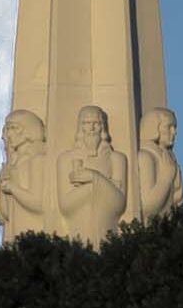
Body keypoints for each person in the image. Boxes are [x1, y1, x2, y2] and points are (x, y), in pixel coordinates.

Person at [55, 105, 128, 248]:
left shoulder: (117, 159)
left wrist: (94, 178)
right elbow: (65, 205)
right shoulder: (66, 159)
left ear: (102, 127)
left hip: (109, 234)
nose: (92, 128)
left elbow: (119, 203)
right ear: (80, 128)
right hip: (76, 234)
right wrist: (105, 186)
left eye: (96, 123)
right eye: (87, 124)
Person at [0, 110, 48, 241]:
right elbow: (4, 215)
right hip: (15, 235)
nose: (6, 135)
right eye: (7, 129)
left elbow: (39, 203)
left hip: (35, 236)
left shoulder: (38, 160)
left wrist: (12, 187)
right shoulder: (14, 165)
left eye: (12, 128)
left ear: (28, 130)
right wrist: (0, 185)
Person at [133, 107, 183, 222]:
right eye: (169, 127)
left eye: (174, 127)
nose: (174, 132)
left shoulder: (169, 159)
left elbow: (179, 202)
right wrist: (166, 178)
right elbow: (147, 207)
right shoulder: (146, 157)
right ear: (154, 129)